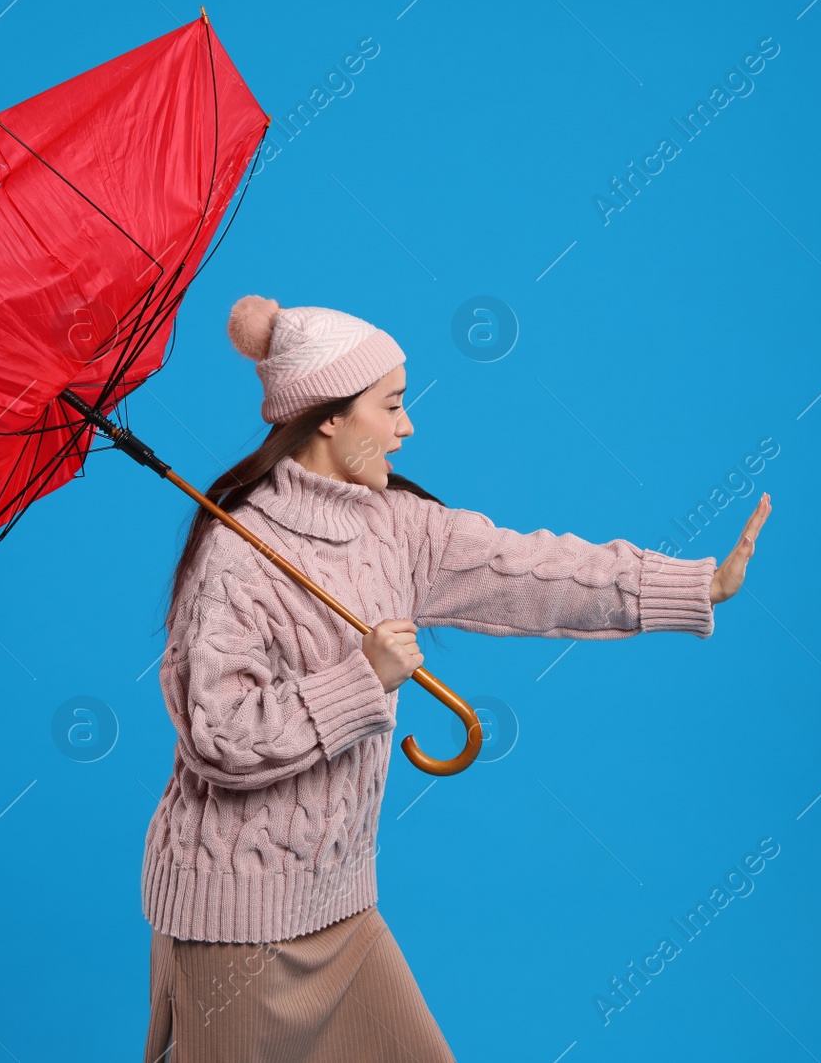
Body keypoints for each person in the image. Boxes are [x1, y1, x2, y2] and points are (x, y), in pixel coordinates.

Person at [141, 295, 773, 1062]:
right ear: (329, 416)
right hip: (232, 923)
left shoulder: (398, 525)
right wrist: (361, 676)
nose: (407, 427)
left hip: (339, 906)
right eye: (393, 405)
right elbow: (218, 733)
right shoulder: (238, 552)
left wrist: (691, 586)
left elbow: (530, 570)